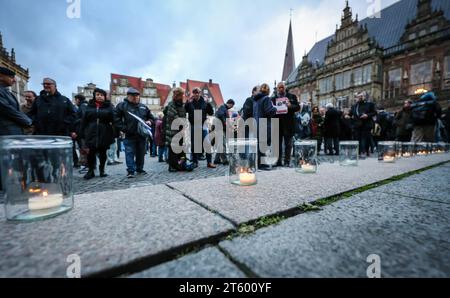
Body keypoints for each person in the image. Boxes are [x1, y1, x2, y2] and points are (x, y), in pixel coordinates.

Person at [0, 67, 32, 191]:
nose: (14, 80)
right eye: (11, 77)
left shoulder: (6, 92)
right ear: (1, 76)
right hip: (5, 131)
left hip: (14, 131)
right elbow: (7, 109)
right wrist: (27, 121)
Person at [114, 87, 154, 178]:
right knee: (129, 153)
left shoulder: (143, 107)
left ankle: (140, 169)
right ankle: (131, 170)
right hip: (129, 134)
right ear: (128, 96)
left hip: (141, 135)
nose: (135, 98)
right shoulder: (122, 106)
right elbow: (116, 119)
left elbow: (151, 118)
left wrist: (149, 122)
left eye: (137, 96)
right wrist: (124, 128)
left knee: (141, 153)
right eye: (133, 96)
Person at [80, 88, 115, 180]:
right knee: (91, 153)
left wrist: (116, 132)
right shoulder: (89, 106)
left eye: (101, 95)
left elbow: (114, 120)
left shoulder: (109, 106)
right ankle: (91, 170)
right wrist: (81, 132)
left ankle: (102, 170)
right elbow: (84, 120)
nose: (99, 96)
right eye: (98, 95)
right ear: (95, 96)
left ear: (104, 97)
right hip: (91, 131)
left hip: (104, 131)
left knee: (103, 152)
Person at [185, 87, 216, 169]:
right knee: (194, 145)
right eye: (194, 93)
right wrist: (187, 103)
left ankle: (209, 162)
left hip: (203, 125)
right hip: (193, 125)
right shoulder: (190, 103)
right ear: (193, 94)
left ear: (200, 93)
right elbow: (185, 110)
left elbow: (211, 112)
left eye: (197, 92)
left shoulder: (204, 103)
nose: (196, 94)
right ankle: (195, 162)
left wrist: (208, 103)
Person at [271, 82, 300, 167]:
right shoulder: (273, 98)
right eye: (279, 88)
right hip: (277, 123)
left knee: (288, 144)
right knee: (277, 144)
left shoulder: (292, 96)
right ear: (277, 89)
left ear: (285, 88)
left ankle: (287, 161)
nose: (280, 89)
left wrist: (290, 106)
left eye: (282, 87)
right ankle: (278, 161)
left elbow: (298, 107)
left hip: (288, 123)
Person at [164, 87, 191, 172]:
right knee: (173, 149)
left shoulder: (181, 104)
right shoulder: (172, 104)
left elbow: (183, 116)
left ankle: (181, 164)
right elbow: (174, 117)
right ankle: (172, 166)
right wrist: (183, 125)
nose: (183, 96)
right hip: (173, 130)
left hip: (180, 130)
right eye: (182, 94)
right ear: (178, 95)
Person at [253, 83, 277, 170]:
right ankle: (262, 164)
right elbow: (269, 111)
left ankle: (260, 163)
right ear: (268, 91)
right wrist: (275, 108)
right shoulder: (266, 98)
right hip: (264, 124)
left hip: (257, 124)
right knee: (263, 144)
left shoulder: (256, 100)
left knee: (260, 144)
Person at [348, 92, 376, 157]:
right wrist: (347, 115)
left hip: (366, 124)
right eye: (358, 96)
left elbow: (374, 112)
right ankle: (359, 152)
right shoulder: (354, 106)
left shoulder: (370, 104)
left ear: (364, 97)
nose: (359, 97)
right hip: (357, 125)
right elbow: (351, 114)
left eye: (361, 96)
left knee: (364, 138)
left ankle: (365, 151)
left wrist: (367, 115)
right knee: (357, 139)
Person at [214, 99, 235, 165]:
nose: (231, 107)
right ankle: (225, 160)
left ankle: (216, 160)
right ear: (230, 104)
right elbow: (220, 115)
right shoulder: (223, 107)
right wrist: (225, 122)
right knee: (222, 145)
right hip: (220, 128)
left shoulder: (223, 108)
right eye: (232, 106)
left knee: (220, 144)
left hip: (220, 128)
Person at [73, 94, 89, 169]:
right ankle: (87, 165)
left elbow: (84, 117)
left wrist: (76, 121)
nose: (75, 102)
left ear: (78, 100)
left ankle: (87, 165)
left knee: (84, 149)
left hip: (83, 132)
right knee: (84, 148)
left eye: (75, 100)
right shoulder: (83, 105)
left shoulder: (83, 106)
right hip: (83, 131)